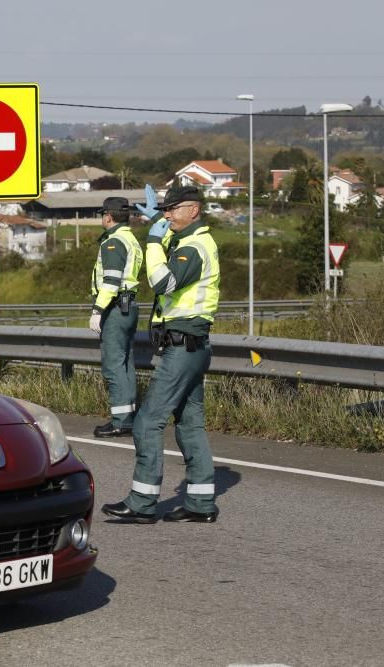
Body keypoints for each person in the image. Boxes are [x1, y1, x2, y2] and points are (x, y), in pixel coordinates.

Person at [101, 184, 221, 524]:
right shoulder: (189, 241)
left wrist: (153, 240)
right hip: (191, 345)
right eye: (164, 210)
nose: (167, 215)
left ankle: (142, 502)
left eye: (172, 209)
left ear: (193, 210)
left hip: (184, 348)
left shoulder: (194, 248)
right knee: (189, 424)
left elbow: (163, 282)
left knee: (147, 422)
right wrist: (156, 221)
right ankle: (200, 503)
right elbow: (170, 244)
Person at [89, 196, 143, 438]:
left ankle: (121, 420)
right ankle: (129, 416)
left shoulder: (113, 243)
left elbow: (111, 281)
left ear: (108, 216)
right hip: (129, 307)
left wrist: (97, 311)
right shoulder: (131, 239)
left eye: (103, 214)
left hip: (114, 308)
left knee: (113, 366)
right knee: (125, 364)